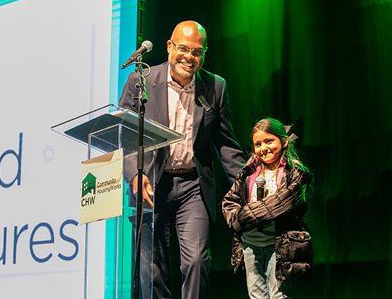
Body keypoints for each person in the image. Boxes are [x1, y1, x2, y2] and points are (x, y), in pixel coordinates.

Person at [118, 20, 245, 299]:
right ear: (169, 47)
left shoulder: (215, 87)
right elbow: (126, 136)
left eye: (197, 52)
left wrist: (248, 185)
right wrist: (134, 175)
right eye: (184, 49)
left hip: (193, 186)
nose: (189, 57)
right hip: (151, 183)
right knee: (152, 270)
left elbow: (225, 144)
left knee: (197, 261)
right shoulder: (141, 80)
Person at [222, 117, 313, 299]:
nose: (264, 148)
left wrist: (244, 218)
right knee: (256, 294)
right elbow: (229, 201)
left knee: (278, 294)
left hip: (278, 245)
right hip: (250, 244)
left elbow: (282, 204)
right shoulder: (249, 173)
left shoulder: (295, 173)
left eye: (269, 141)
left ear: (284, 141)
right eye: (258, 144)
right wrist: (236, 221)